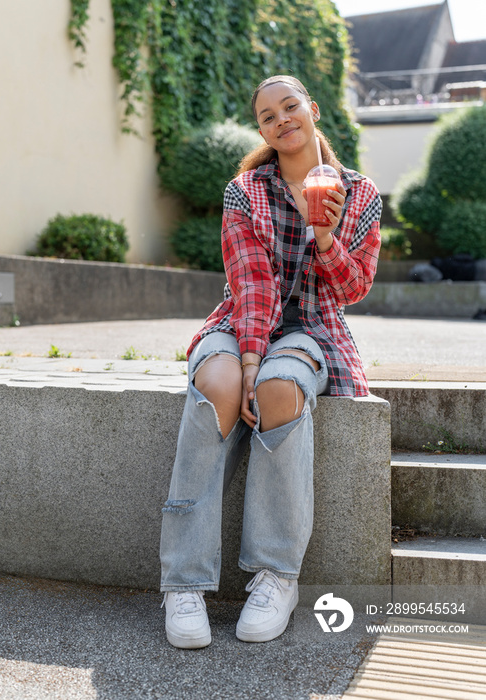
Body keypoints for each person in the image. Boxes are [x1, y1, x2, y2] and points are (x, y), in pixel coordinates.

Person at [160, 74, 382, 648]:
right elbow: (252, 284)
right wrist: (251, 357)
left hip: (311, 326)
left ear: (311, 109)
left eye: (290, 107)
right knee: (218, 383)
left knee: (282, 391)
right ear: (261, 128)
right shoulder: (245, 191)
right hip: (241, 322)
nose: (281, 120)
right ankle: (183, 584)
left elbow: (353, 288)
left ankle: (276, 576)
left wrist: (327, 236)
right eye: (267, 116)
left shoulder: (359, 193)